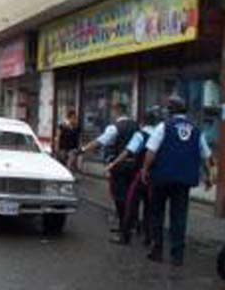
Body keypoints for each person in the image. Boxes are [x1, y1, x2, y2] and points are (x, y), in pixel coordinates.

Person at [142, 96, 213, 266]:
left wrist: (145, 169)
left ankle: (157, 251)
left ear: (170, 111)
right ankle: (177, 256)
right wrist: (209, 177)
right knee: (179, 217)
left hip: (162, 178)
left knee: (157, 214)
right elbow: (207, 156)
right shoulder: (196, 130)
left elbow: (151, 151)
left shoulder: (163, 126)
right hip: (184, 180)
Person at [78, 102, 138, 240]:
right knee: (131, 196)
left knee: (120, 197)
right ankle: (130, 225)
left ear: (116, 111)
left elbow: (100, 141)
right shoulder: (135, 126)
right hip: (134, 166)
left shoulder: (115, 127)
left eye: (113, 111)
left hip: (119, 166)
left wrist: (82, 150)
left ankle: (124, 230)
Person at [106, 106, 162, 246]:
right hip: (154, 176)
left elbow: (128, 151)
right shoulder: (160, 135)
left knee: (131, 205)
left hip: (138, 175)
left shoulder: (140, 134)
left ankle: (125, 236)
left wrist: (113, 163)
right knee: (150, 207)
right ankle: (149, 238)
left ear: (144, 121)